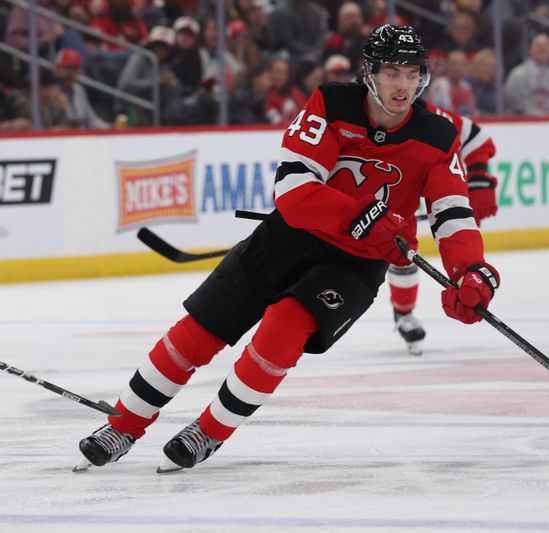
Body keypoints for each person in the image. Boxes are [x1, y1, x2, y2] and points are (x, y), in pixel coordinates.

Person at [74, 24, 500, 473]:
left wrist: (470, 270)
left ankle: (210, 430)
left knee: (284, 327)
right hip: (288, 236)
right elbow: (294, 188)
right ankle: (124, 425)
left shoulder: (437, 136)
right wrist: (364, 219)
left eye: (413, 74)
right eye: (393, 72)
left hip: (354, 266)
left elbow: (452, 216)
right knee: (200, 329)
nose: (403, 85)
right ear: (370, 73)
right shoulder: (331, 104)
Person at [387, 101, 498, 355]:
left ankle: (404, 314)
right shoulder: (355, 113)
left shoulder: (429, 114)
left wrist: (479, 178)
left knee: (402, 254)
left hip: (415, 196)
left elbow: (476, 138)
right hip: (370, 194)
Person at [503, 33, 549, 116]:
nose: (542, 49)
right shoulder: (518, 75)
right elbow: (519, 106)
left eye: (545, 46)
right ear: (530, 50)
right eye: (538, 46)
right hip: (525, 125)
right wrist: (545, 118)